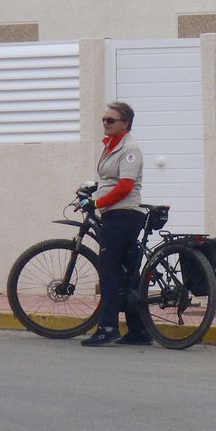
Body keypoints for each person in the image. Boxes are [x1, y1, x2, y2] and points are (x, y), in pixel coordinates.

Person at [77, 102, 152, 346]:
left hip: (124, 215)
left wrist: (97, 204)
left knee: (108, 271)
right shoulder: (112, 147)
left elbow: (125, 186)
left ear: (125, 123)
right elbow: (110, 180)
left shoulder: (130, 149)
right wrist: (92, 189)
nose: (105, 124)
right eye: (104, 120)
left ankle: (108, 327)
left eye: (111, 120)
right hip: (115, 213)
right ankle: (139, 332)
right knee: (126, 274)